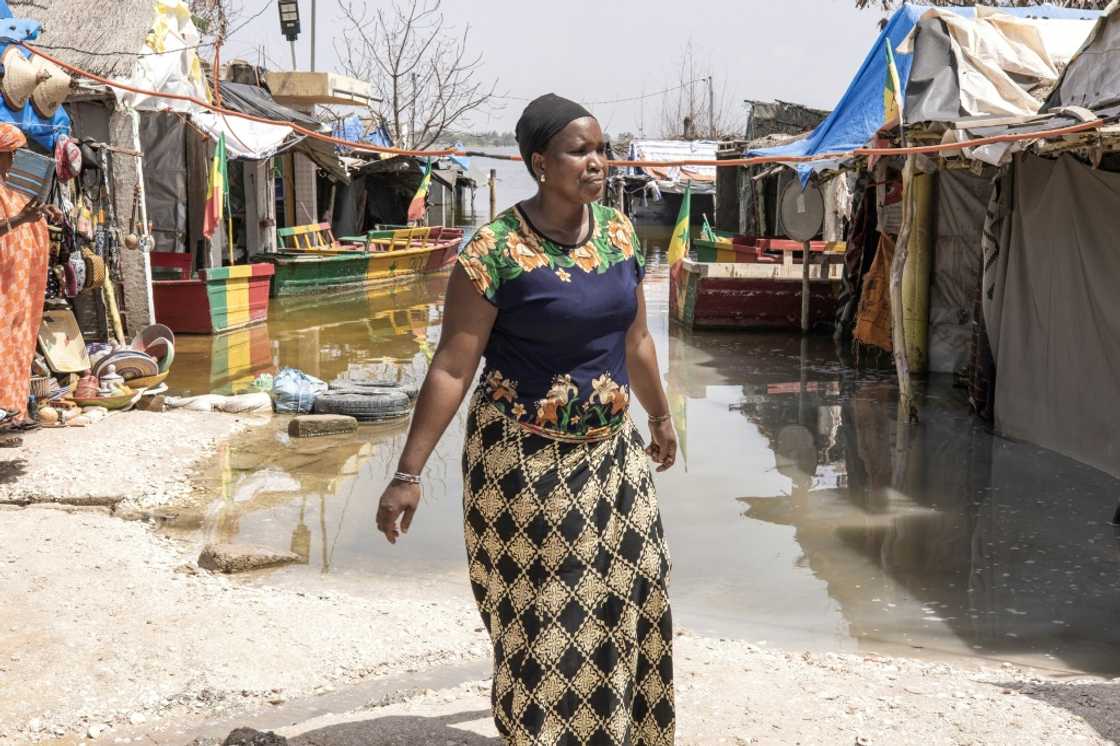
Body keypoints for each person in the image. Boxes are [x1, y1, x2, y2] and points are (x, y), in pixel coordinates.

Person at [375, 94, 678, 744]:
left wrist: (660, 416)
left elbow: (637, 341)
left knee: (641, 579)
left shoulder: (620, 233)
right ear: (540, 163)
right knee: (554, 610)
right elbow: (452, 367)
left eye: (601, 149)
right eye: (579, 150)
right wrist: (407, 473)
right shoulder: (495, 251)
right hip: (524, 461)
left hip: (611, 454)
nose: (597, 162)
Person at [0, 124, 55, 427]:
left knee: (17, 343)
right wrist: (21, 219)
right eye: (13, 153)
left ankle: (12, 410)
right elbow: (11, 222)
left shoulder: (12, 186)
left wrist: (43, 213)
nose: (17, 160)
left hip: (17, 287)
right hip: (3, 286)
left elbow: (22, 213)